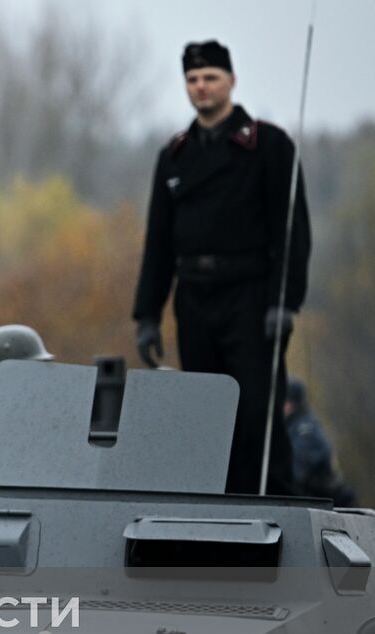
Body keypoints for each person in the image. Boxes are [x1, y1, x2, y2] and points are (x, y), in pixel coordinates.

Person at [132, 40, 311, 495]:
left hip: (250, 296)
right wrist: (147, 315)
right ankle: (215, 505)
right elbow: (159, 242)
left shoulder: (268, 146)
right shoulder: (174, 156)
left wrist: (285, 302)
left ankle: (273, 504)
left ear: (231, 81)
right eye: (192, 79)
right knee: (206, 414)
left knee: (256, 411)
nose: (201, 87)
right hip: (195, 297)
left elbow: (292, 231)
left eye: (210, 77)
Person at [284, 378, 354, 505]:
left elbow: (297, 472)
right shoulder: (293, 426)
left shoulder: (305, 431)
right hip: (317, 501)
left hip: (330, 503)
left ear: (292, 403)